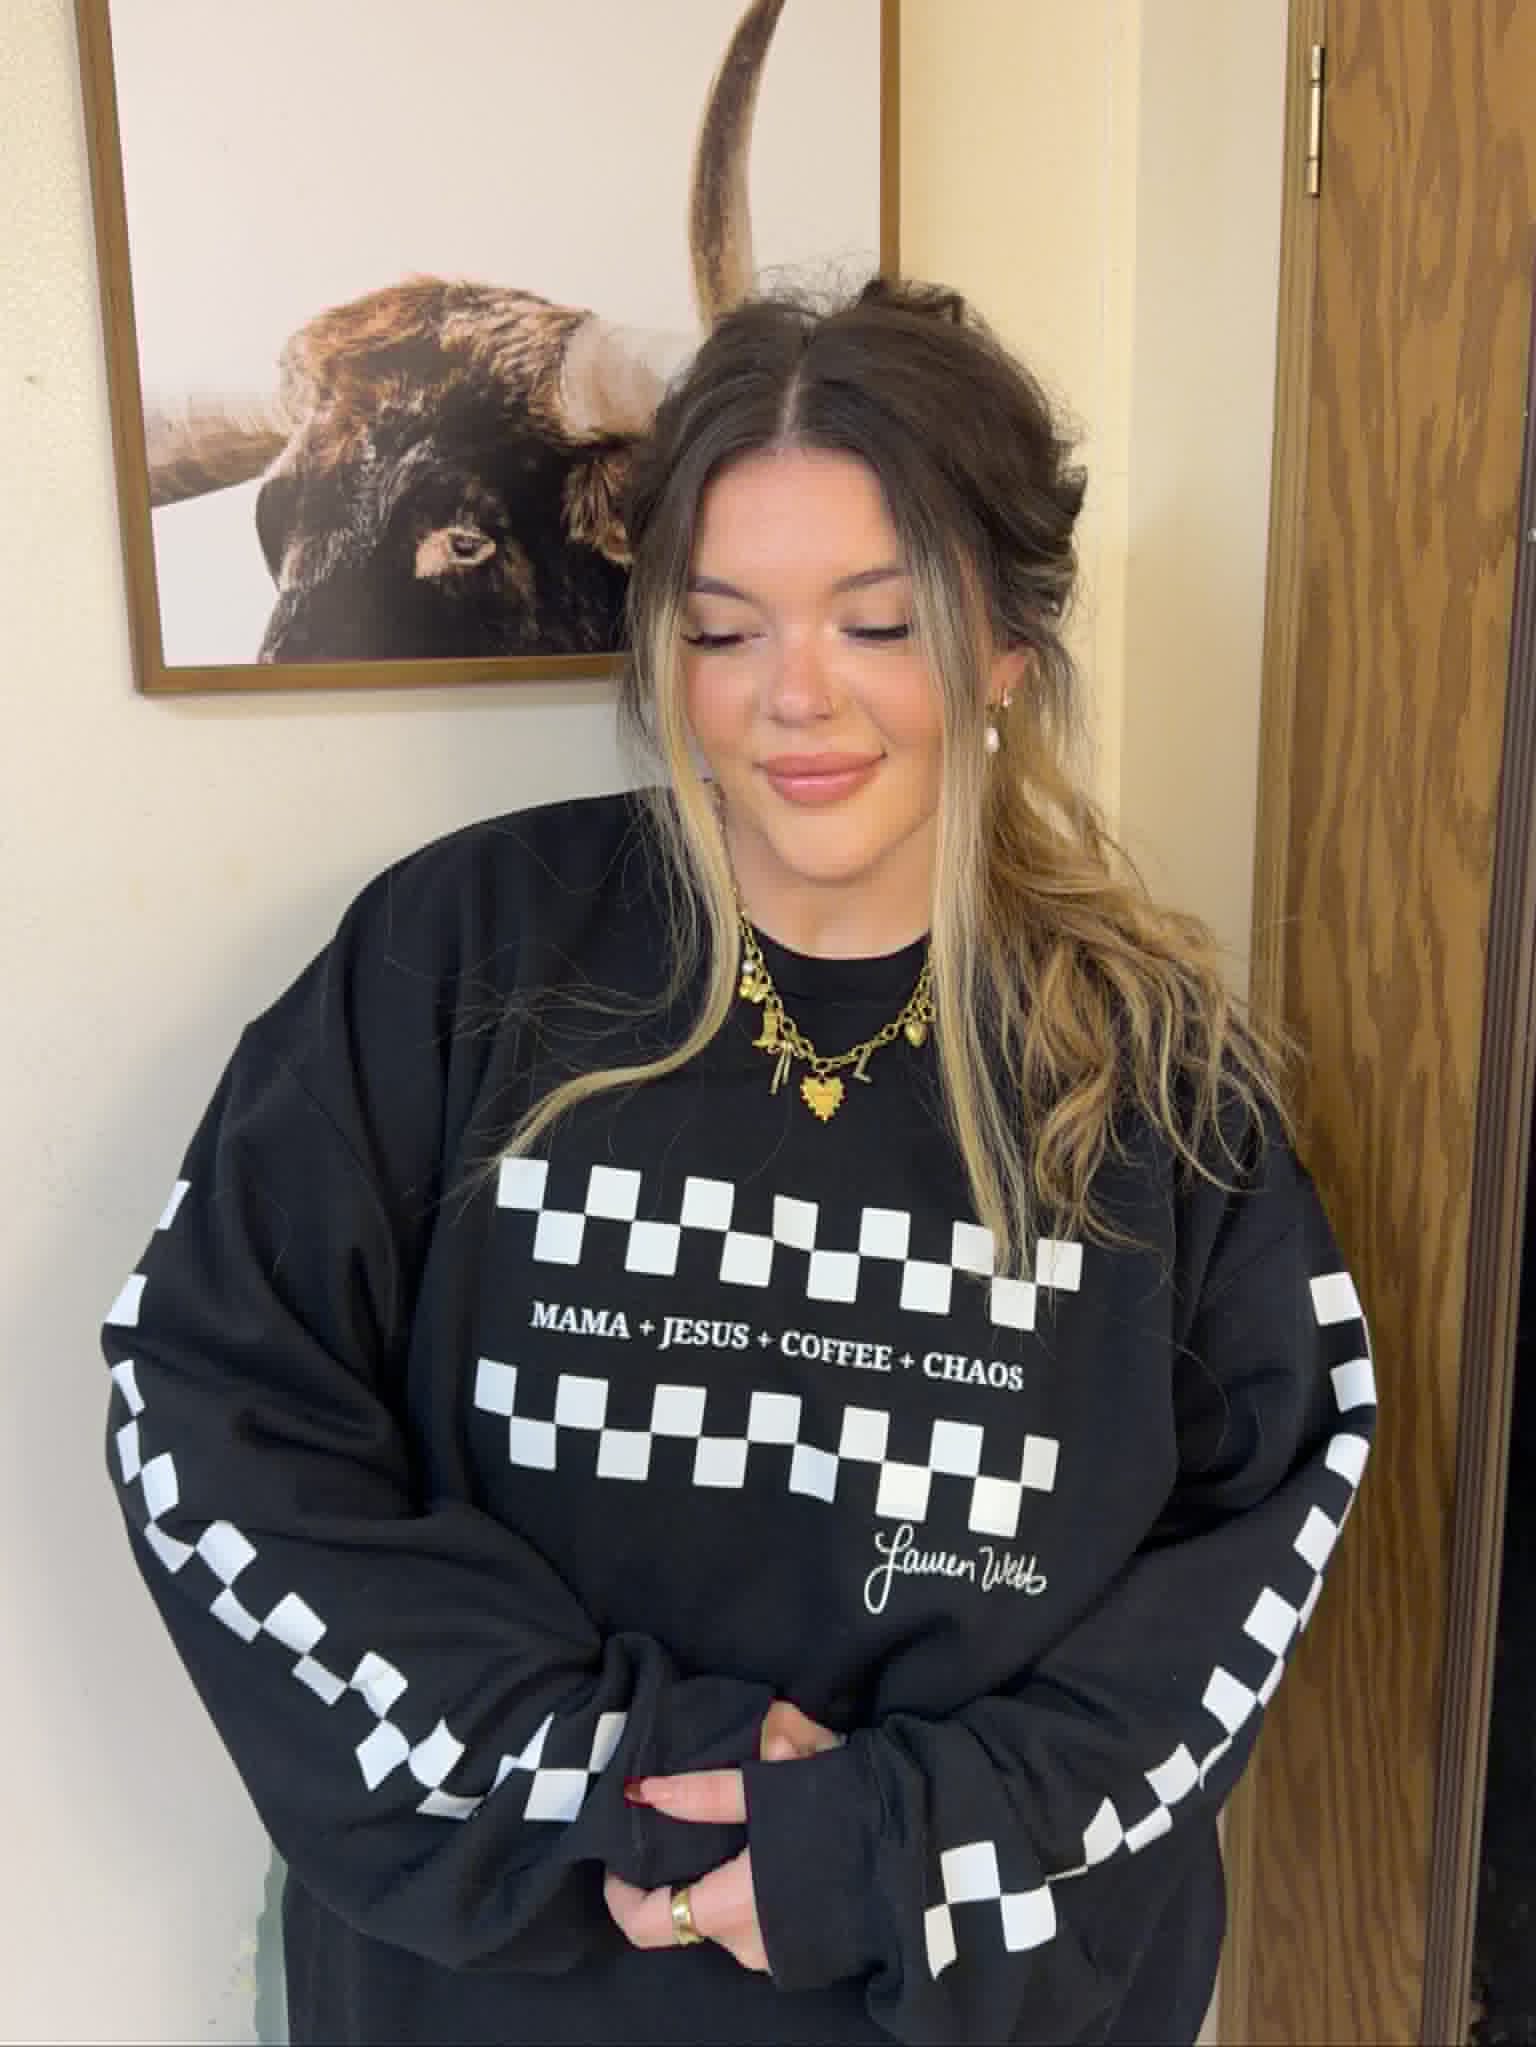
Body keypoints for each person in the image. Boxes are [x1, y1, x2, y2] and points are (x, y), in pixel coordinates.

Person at [102, 278, 1375, 2046]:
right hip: (494, 1999)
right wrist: (616, 1766)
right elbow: (212, 1418)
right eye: (722, 630)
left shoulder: (1158, 1076)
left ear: (1007, 641)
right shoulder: (459, 956)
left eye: (881, 622)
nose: (797, 700)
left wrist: (890, 1846)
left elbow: (1250, 1551)